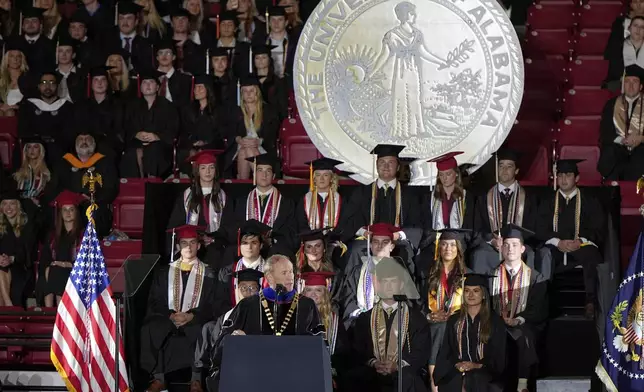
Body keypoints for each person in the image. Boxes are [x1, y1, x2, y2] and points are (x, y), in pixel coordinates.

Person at [211, 254, 323, 377]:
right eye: (284, 272)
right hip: (254, 374)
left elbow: (320, 343)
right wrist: (234, 339)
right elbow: (221, 342)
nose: (290, 277)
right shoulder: (248, 305)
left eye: (291, 272)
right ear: (270, 277)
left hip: (295, 374)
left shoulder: (306, 305)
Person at [140, 224, 216, 392]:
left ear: (199, 245)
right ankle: (159, 379)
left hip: (195, 319)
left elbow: (212, 303)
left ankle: (196, 380)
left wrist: (192, 316)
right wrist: (170, 315)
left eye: (192, 242)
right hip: (169, 318)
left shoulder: (209, 273)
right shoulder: (164, 271)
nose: (188, 247)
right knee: (152, 327)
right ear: (178, 246)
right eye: (184, 243)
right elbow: (155, 300)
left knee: (203, 328)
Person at [345, 257, 430, 392]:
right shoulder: (365, 318)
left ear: (401, 284)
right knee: (355, 377)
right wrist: (374, 363)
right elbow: (358, 350)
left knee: (407, 378)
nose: (389, 286)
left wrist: (396, 365)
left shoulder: (416, 319)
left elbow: (420, 353)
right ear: (377, 284)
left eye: (393, 281)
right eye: (385, 282)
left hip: (403, 374)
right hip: (373, 373)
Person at [537, 159, 604, 319]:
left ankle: (590, 301)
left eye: (568, 175)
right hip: (556, 247)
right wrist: (558, 242)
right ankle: (544, 303)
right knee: (544, 255)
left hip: (581, 245)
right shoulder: (547, 201)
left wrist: (580, 241)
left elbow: (598, 227)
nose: (563, 179)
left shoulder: (590, 201)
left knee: (591, 255)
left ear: (577, 178)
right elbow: (539, 228)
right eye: (560, 175)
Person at [344, 144, 421, 274]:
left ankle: (400, 294)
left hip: (397, 243)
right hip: (368, 242)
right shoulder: (362, 193)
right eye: (382, 162)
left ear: (397, 167)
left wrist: (399, 235)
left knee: (404, 252)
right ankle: (356, 293)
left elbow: (417, 224)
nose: (386, 166)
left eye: (390, 162)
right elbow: (349, 220)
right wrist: (363, 232)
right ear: (376, 166)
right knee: (356, 250)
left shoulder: (409, 195)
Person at [490, 224, 548, 392]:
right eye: (506, 244)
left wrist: (518, 319)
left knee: (525, 335)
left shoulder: (536, 277)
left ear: (523, 249)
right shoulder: (490, 275)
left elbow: (538, 308)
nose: (510, 248)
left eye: (515, 244)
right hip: (496, 321)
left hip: (525, 323)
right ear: (500, 247)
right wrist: (498, 318)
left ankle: (522, 386)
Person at [190, 268, 263, 392]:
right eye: (243, 288)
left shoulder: (263, 315)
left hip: (253, 367)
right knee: (209, 328)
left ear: (259, 291)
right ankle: (197, 379)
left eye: (252, 288)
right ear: (236, 290)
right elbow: (215, 347)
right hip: (225, 366)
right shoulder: (227, 315)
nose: (247, 292)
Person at [433, 273, 507, 392]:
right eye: (467, 291)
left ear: (483, 294)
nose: (471, 295)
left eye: (476, 291)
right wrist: (457, 365)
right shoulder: (454, 320)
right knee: (452, 381)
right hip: (458, 370)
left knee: (476, 378)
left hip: (485, 372)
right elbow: (446, 351)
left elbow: (498, 354)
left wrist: (476, 365)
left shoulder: (494, 321)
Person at [471, 149, 538, 274]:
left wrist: (516, 242)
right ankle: (485, 293)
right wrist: (493, 240)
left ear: (516, 171)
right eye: (501, 166)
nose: (504, 170)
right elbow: (478, 227)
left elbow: (532, 227)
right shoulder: (484, 197)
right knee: (480, 255)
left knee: (530, 254)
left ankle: (524, 293)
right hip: (492, 246)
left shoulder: (529, 198)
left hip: (519, 246)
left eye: (509, 166)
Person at [417, 228, 468, 392]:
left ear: (458, 249)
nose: (448, 249)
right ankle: (434, 384)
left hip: (459, 322)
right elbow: (417, 303)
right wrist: (429, 316)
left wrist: (456, 316)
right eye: (444, 244)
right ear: (439, 248)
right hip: (432, 324)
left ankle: (437, 386)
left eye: (453, 245)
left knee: (445, 328)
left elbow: (473, 303)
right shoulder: (426, 274)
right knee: (439, 328)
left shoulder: (467, 275)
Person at [168, 150, 234, 268]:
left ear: (216, 171)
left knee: (216, 254)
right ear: (197, 171)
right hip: (191, 242)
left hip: (215, 244)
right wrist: (195, 238)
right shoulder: (186, 197)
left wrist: (213, 239)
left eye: (211, 168)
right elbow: (176, 224)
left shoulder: (223, 197)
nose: (207, 172)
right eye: (203, 168)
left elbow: (229, 225)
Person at [417, 152, 476, 274]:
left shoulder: (468, 198)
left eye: (448, 174)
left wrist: (455, 240)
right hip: (435, 242)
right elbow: (425, 225)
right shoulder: (429, 198)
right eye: (441, 175)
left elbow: (470, 226)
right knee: (424, 260)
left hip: (460, 242)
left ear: (456, 174)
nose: (445, 178)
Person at [51, 132, 118, 237]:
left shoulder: (105, 163)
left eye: (88, 139)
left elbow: (111, 188)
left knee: (93, 211)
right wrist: (74, 198)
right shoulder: (64, 163)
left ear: (94, 143)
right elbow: (56, 186)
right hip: (71, 203)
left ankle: (93, 247)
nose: (84, 142)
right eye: (81, 139)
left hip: (96, 204)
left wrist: (94, 198)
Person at [342, 223, 406, 327]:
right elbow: (349, 301)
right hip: (363, 323)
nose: (380, 246)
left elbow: (408, 302)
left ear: (392, 247)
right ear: (370, 246)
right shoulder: (357, 271)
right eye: (376, 242)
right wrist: (364, 316)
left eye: (385, 242)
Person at [121, 69, 179, 178]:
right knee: (133, 153)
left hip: (160, 145)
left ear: (157, 87)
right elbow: (126, 127)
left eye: (151, 82)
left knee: (153, 151)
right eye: (144, 82)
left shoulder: (168, 106)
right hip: (137, 143)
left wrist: (156, 136)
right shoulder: (132, 106)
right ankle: (137, 186)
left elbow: (173, 129)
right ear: (140, 87)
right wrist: (136, 134)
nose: (147, 85)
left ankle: (152, 183)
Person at [233, 154, 296, 252]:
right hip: (248, 251)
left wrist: (272, 241)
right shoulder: (241, 202)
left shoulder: (286, 203)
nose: (264, 175)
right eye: (260, 170)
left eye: (268, 171)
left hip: (275, 251)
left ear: (274, 176)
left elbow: (291, 233)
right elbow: (236, 230)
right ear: (254, 174)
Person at [301, 270, 350, 388]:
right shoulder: (296, 318)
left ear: (325, 294)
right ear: (303, 293)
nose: (313, 294)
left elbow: (343, 352)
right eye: (309, 290)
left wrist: (329, 371)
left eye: (318, 290)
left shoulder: (335, 321)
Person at [214, 219, 271, 318]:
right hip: (233, 320)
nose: (249, 247)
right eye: (244, 243)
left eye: (254, 242)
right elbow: (220, 303)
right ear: (239, 246)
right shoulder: (227, 272)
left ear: (261, 245)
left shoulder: (271, 270)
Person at [226, 75, 280, 179]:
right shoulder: (236, 111)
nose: (248, 94)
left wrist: (259, 141)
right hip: (241, 146)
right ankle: (262, 181)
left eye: (252, 90)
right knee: (244, 149)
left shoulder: (268, 111)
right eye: (245, 91)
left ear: (257, 92)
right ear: (241, 94)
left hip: (263, 148)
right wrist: (238, 139)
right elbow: (230, 131)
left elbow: (272, 133)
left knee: (246, 151)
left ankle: (245, 187)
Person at [38, 190, 84, 307]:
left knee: (58, 271)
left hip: (75, 272)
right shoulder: (53, 236)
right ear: (60, 213)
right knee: (49, 270)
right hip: (55, 272)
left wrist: (65, 264)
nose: (68, 213)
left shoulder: (82, 236)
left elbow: (84, 262)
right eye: (64, 210)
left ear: (76, 212)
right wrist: (48, 267)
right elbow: (45, 258)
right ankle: (49, 311)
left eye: (71, 209)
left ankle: (56, 310)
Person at [598, 64, 644, 180]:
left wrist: (641, 138)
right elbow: (605, 132)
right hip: (618, 148)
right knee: (611, 153)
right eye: (627, 82)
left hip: (641, 150)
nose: (631, 86)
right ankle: (610, 192)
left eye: (635, 82)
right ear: (623, 84)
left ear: (641, 86)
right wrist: (622, 140)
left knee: (639, 157)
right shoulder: (611, 104)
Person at [18, 70, 74, 161]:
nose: (48, 86)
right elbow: (23, 131)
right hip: (35, 150)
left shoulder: (67, 107)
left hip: (59, 151)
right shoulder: (28, 105)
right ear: (39, 86)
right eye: (44, 83)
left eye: (52, 83)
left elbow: (68, 134)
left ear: (57, 86)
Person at [72, 65, 125, 157]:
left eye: (103, 80)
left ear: (108, 83)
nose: (99, 83)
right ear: (91, 84)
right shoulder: (81, 105)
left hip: (110, 146)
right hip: (86, 145)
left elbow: (119, 130)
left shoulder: (117, 105)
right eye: (96, 80)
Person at [178, 74, 227, 172]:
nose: (196, 90)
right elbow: (184, 131)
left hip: (212, 144)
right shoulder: (188, 110)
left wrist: (205, 143)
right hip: (192, 144)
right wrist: (192, 144)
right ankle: (194, 181)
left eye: (200, 87)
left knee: (201, 152)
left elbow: (220, 133)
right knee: (191, 153)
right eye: (195, 88)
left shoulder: (218, 110)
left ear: (208, 90)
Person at [295, 157, 347, 233]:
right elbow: (301, 224)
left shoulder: (341, 200)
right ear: (314, 179)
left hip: (333, 241)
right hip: (311, 241)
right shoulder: (305, 199)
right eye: (318, 175)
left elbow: (343, 223)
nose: (321, 179)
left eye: (326, 175)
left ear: (331, 178)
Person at [0, 191, 34, 306]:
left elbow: (28, 252)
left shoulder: (27, 226)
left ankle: (8, 309)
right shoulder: (0, 226)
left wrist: (11, 259)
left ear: (18, 206)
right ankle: (9, 306)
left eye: (12, 204)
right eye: (5, 204)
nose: (8, 208)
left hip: (21, 268)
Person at [604, 0, 644, 90]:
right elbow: (611, 51)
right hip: (622, 74)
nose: (638, 5)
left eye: (641, 1)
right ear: (630, 4)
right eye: (635, 2)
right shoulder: (620, 23)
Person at [105, 1, 154, 73]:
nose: (125, 22)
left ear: (136, 21)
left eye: (129, 18)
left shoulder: (145, 44)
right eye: (121, 18)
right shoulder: (108, 42)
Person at [296, 228, 344, 300]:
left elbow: (338, 300)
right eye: (309, 247)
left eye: (317, 246)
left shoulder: (335, 273)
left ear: (324, 248)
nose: (313, 250)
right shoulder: (297, 274)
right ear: (304, 250)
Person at [255, 6, 296, 82]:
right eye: (273, 20)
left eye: (280, 20)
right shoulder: (260, 42)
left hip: (289, 83)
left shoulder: (294, 43)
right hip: (266, 83)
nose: (276, 23)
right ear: (269, 23)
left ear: (286, 22)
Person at [252, 43, 288, 120]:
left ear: (269, 60)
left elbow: (282, 107)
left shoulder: (278, 82)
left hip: (273, 121)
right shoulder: (250, 81)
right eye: (257, 58)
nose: (260, 60)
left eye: (264, 57)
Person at [17, 6, 56, 73]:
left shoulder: (50, 45)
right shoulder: (14, 43)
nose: (30, 24)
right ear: (22, 26)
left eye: (34, 21)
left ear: (40, 25)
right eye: (27, 22)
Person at [155, 39, 193, 106]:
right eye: (161, 53)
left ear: (174, 57)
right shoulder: (151, 79)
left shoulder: (185, 80)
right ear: (157, 57)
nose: (164, 56)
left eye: (168, 53)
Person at [0, 39, 28, 117]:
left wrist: (15, 106)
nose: (15, 59)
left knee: (10, 112)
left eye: (18, 56)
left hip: (22, 111)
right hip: (3, 110)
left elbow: (31, 97)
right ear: (7, 59)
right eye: (12, 56)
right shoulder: (1, 77)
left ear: (22, 59)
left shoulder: (27, 77)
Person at [55, 36, 85, 104]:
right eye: (60, 51)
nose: (64, 55)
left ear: (73, 55)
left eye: (68, 51)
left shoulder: (83, 74)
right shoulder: (51, 74)